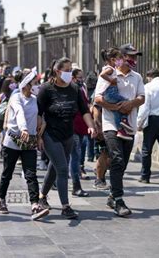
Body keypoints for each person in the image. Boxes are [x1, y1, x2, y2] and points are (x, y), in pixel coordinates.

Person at [38, 57, 96, 219]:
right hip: (50, 135)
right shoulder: (46, 89)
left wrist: (90, 125)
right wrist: (38, 136)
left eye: (71, 70)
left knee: (54, 168)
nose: (70, 73)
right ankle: (65, 206)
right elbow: (38, 113)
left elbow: (84, 110)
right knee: (63, 169)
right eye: (67, 70)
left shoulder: (75, 88)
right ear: (58, 71)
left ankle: (42, 197)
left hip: (68, 135)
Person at [94, 43, 145, 217]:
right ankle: (118, 199)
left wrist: (131, 104)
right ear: (120, 58)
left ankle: (112, 195)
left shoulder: (137, 77)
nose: (134, 59)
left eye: (135, 57)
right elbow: (98, 99)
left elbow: (142, 98)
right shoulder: (108, 74)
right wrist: (116, 107)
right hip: (111, 125)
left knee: (121, 163)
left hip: (129, 126)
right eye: (130, 56)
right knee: (116, 158)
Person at [0, 68, 49, 220]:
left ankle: (34, 204)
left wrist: (38, 136)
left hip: (30, 141)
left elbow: (39, 119)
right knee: (8, 172)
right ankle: (1, 199)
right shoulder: (16, 98)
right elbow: (19, 113)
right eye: (34, 83)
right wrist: (23, 129)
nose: (37, 85)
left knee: (31, 174)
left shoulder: (34, 100)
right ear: (26, 85)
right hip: (13, 140)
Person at [99, 48, 134, 140]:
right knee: (126, 102)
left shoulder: (112, 68)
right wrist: (111, 81)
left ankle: (120, 130)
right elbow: (102, 74)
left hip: (110, 94)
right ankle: (124, 120)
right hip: (111, 93)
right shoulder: (110, 69)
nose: (122, 61)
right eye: (120, 58)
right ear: (113, 60)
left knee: (116, 111)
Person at [71, 68, 90, 197]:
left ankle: (75, 185)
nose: (81, 79)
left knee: (74, 156)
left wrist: (91, 125)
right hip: (68, 128)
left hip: (80, 127)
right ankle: (75, 185)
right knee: (72, 157)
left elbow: (85, 108)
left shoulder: (80, 89)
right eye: (79, 77)